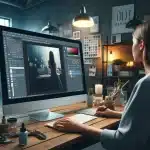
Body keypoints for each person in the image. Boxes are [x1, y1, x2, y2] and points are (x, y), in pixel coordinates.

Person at [53, 21, 150, 150]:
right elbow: (143, 120)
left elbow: (124, 141)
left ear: (141, 45)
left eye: (133, 42)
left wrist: (78, 127)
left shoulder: (146, 84)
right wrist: (114, 113)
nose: (132, 46)